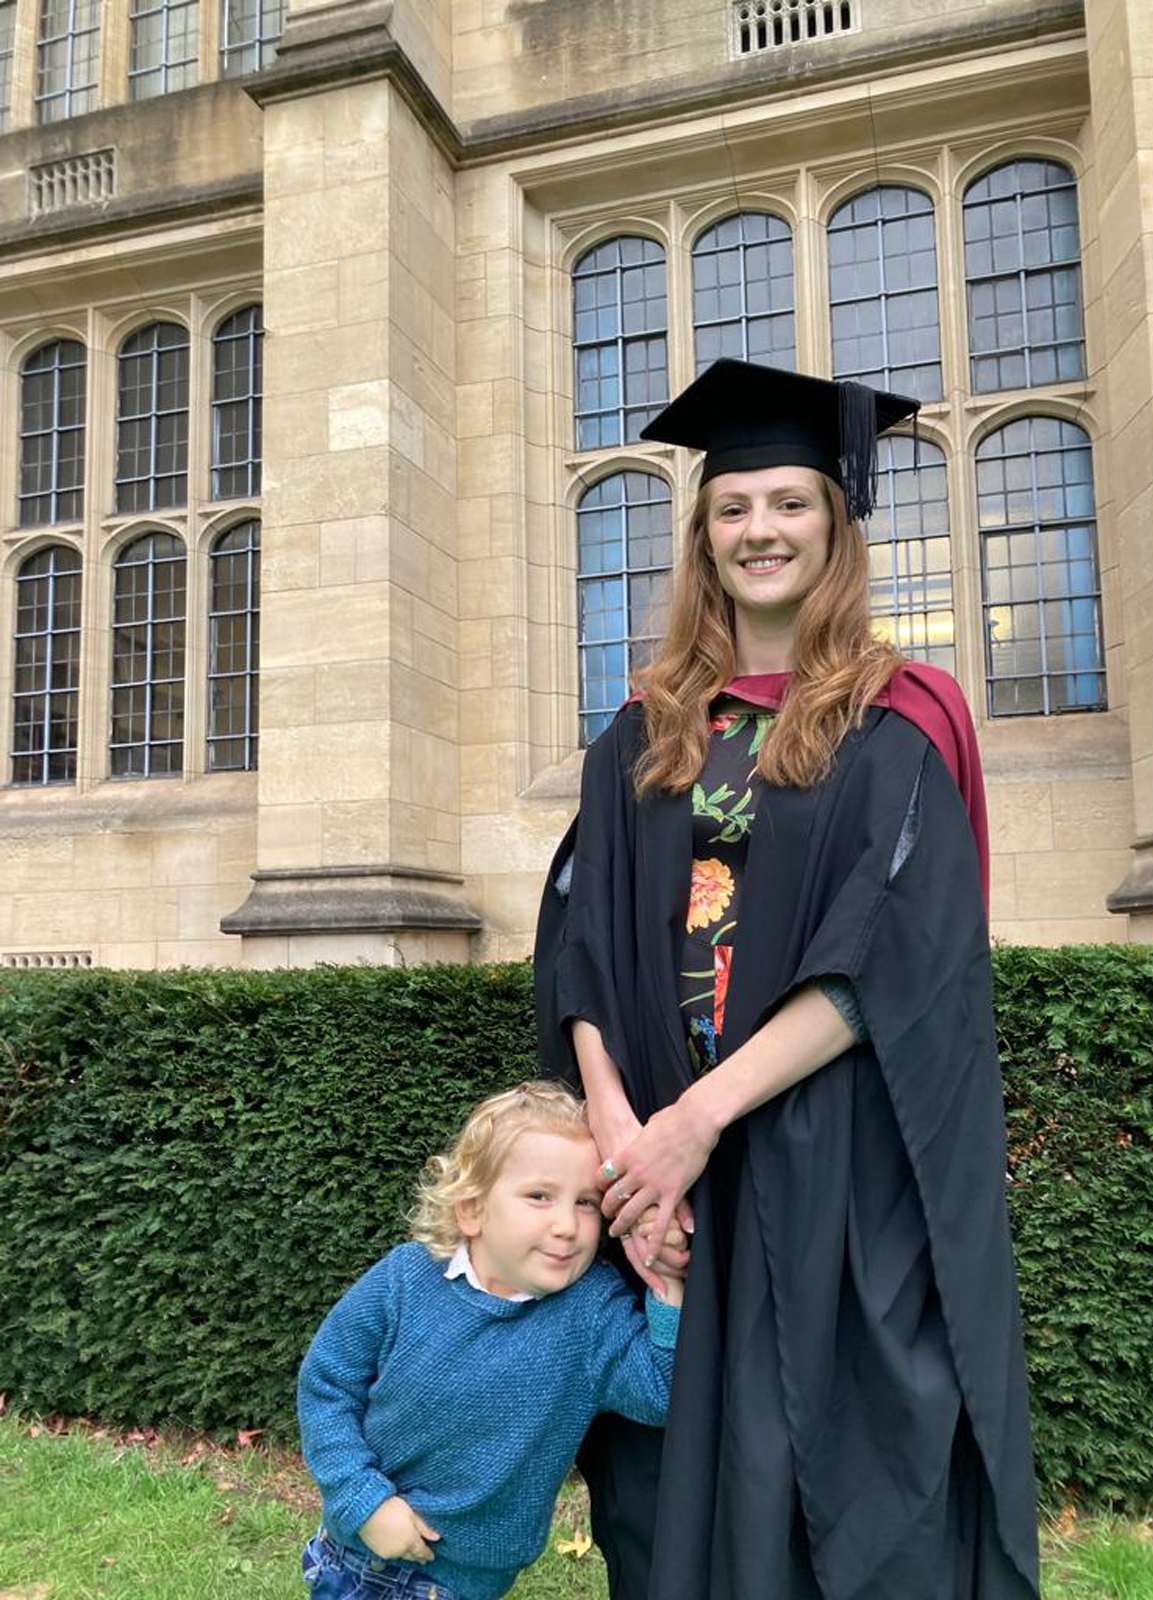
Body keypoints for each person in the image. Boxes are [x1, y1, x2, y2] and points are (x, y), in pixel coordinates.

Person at [535, 359, 1041, 1600]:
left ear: (837, 522)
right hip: (656, 1166)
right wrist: (619, 1134)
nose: (760, 528)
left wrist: (698, 1123)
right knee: (665, 1478)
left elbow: (893, 950)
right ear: (704, 537)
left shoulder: (899, 716)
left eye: (790, 502)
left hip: (825, 1161)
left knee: (834, 1464)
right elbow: (577, 930)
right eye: (733, 506)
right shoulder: (646, 723)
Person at [297, 1082, 685, 1600]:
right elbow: (327, 1385)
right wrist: (364, 1502)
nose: (567, 1225)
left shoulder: (591, 1312)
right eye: (539, 1196)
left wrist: (665, 1285)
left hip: (460, 1586)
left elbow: (661, 1391)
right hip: (352, 1554)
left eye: (587, 1203)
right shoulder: (407, 1280)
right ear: (472, 1209)